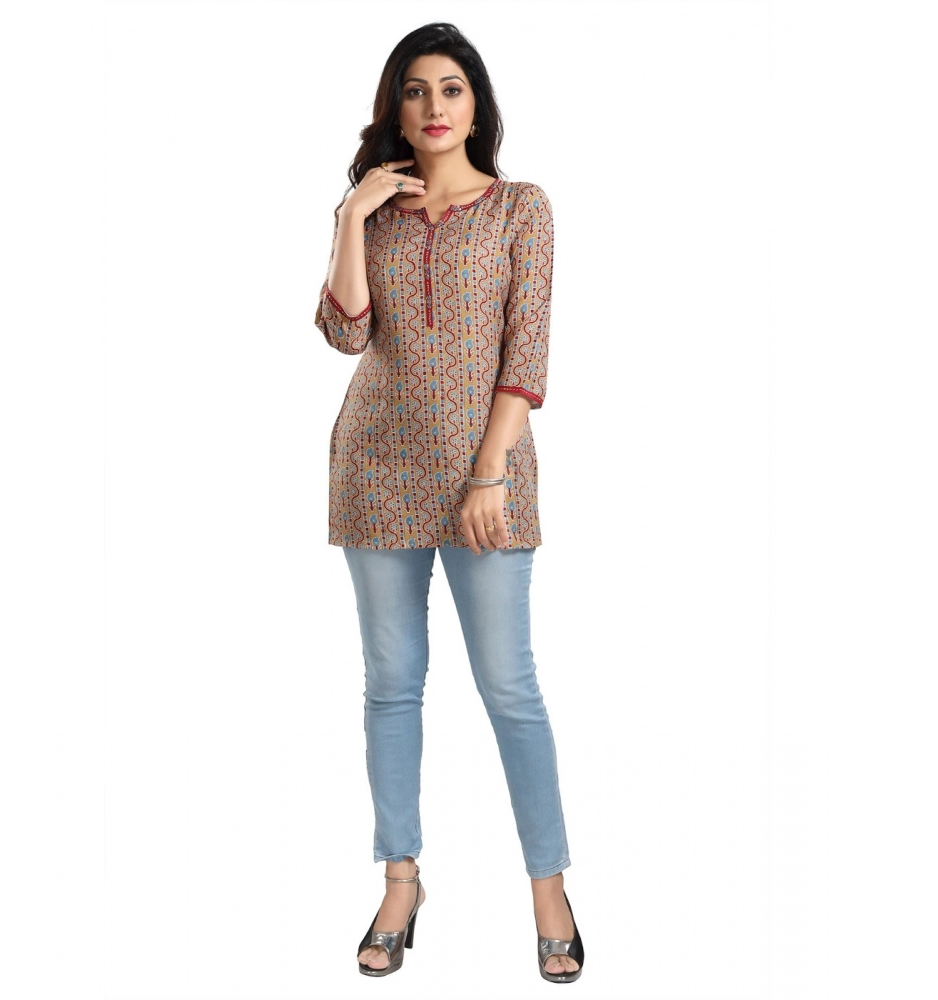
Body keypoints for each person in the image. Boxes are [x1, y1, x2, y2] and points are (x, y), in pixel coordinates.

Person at [313, 22, 583, 984]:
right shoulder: (376, 212)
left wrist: (488, 473)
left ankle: (549, 890)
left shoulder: (521, 209)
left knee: (509, 686)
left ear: (477, 106)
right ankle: (401, 882)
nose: (434, 107)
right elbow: (345, 335)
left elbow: (526, 352)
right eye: (417, 90)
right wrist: (352, 216)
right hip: (376, 468)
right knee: (391, 684)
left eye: (452, 89)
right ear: (397, 106)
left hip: (485, 480)